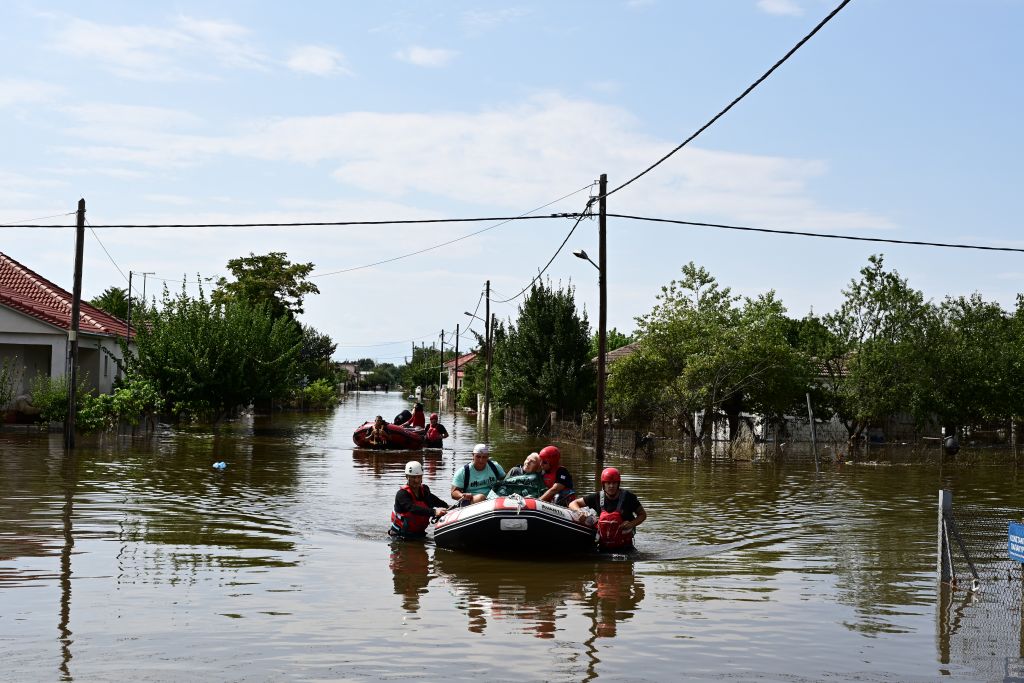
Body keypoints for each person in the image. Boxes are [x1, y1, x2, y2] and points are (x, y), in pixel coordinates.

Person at [569, 467, 647, 552]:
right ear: (603, 484)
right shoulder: (597, 497)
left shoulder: (629, 498)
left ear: (618, 484)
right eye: (608, 483)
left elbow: (643, 515)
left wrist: (631, 524)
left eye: (614, 483)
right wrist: (580, 512)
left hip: (625, 547)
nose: (611, 486)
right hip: (603, 546)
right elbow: (573, 503)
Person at [390, 461, 449, 539]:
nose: (416, 480)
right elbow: (412, 508)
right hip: (400, 536)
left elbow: (434, 500)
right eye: (413, 477)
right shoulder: (402, 494)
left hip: (419, 534)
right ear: (407, 477)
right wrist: (434, 512)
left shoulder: (424, 490)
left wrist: (448, 506)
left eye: (419, 477)